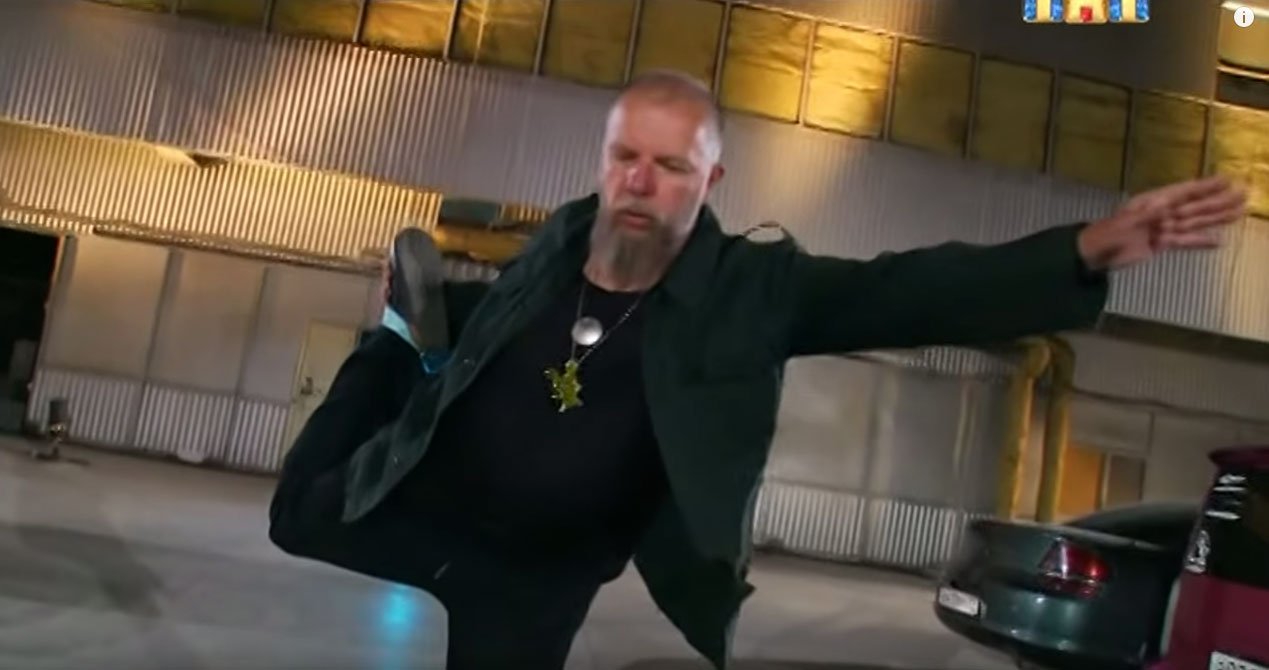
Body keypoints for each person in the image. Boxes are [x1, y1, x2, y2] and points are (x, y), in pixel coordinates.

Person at [268, 70, 1248, 669]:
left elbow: (909, 290)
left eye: (671, 167)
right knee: (294, 512)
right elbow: (498, 322)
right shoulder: (557, 244)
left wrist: (1085, 250)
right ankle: (390, 340)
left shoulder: (748, 293)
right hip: (438, 507)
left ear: (711, 181)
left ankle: (400, 339)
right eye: (625, 158)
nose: (640, 183)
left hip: (539, 576)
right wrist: (421, 318)